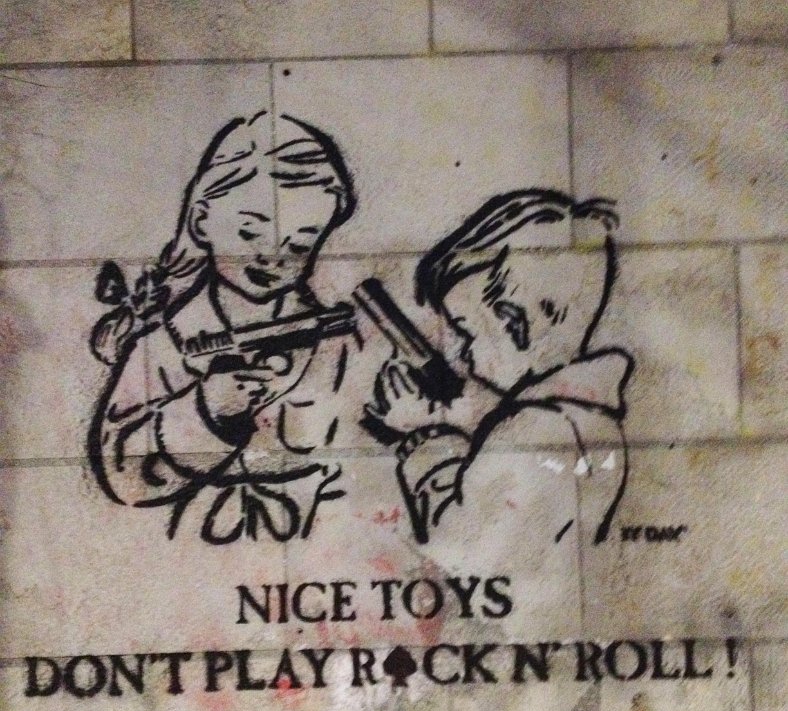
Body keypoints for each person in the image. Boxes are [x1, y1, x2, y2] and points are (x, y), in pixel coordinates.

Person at [88, 110, 359, 543]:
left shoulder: (334, 338)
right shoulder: (167, 341)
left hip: (318, 542)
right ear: (202, 222)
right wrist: (207, 411)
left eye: (300, 243)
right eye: (250, 233)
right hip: (197, 551)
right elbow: (120, 466)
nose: (274, 257)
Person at [366, 189, 634, 545]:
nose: (459, 352)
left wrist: (426, 437)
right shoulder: (578, 418)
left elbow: (463, 546)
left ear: (513, 323)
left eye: (463, 330)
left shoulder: (538, 429)